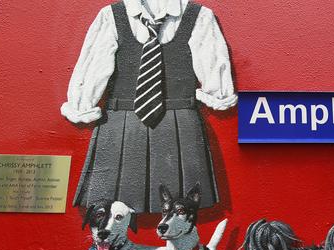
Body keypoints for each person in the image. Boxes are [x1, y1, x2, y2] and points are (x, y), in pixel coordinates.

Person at [61, 0, 236, 213]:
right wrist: (82, 101)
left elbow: (214, 70)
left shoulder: (199, 16)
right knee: (110, 208)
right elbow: (93, 65)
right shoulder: (111, 16)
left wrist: (219, 92)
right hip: (120, 124)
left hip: (180, 123)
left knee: (179, 205)